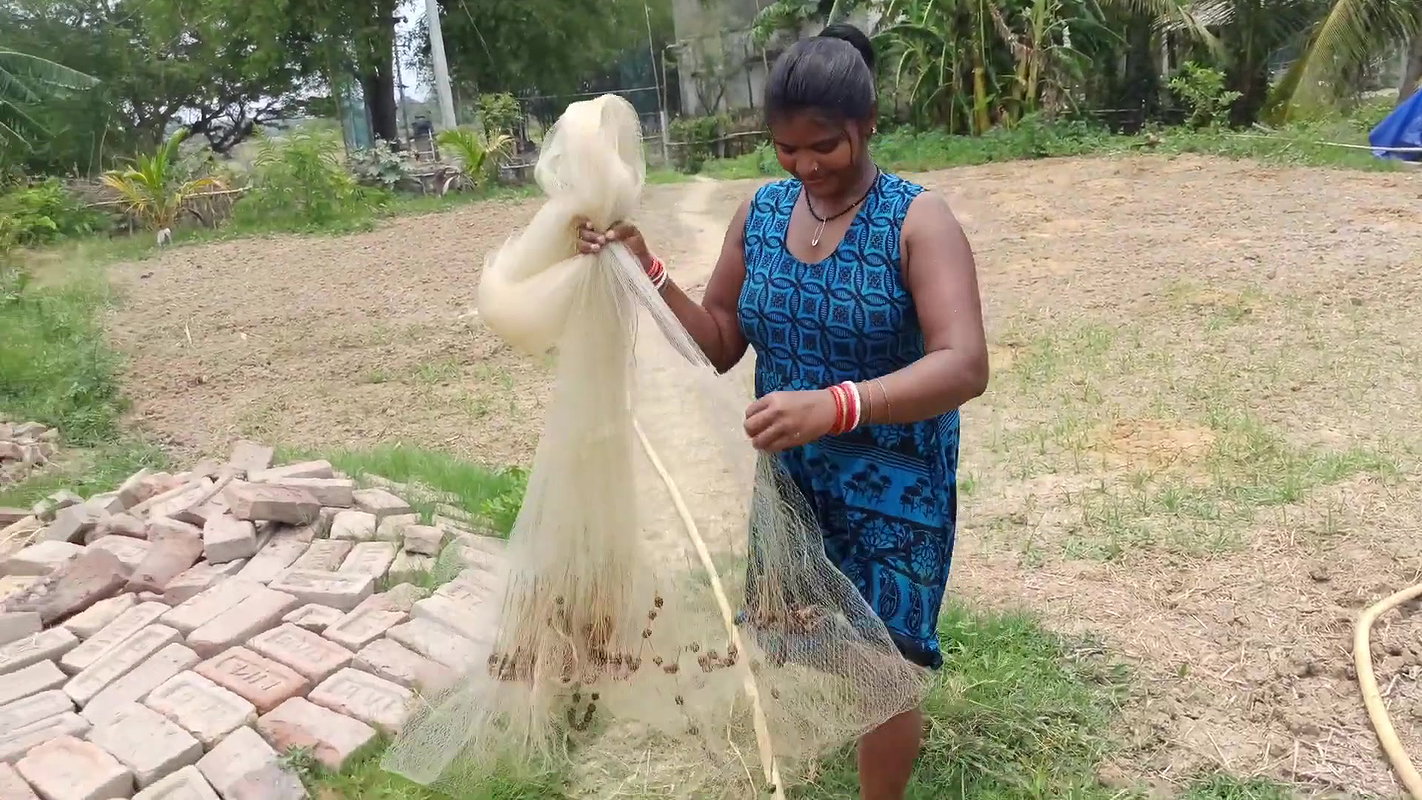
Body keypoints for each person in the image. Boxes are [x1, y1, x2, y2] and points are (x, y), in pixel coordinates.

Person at [574, 22, 988, 800]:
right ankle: (861, 728)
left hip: (892, 484)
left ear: (867, 125)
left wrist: (834, 407)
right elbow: (721, 342)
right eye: (786, 149)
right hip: (794, 477)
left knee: (884, 664)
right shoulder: (761, 216)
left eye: (825, 146)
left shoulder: (915, 220)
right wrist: (646, 268)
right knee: (805, 633)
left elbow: (964, 364)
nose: (805, 166)